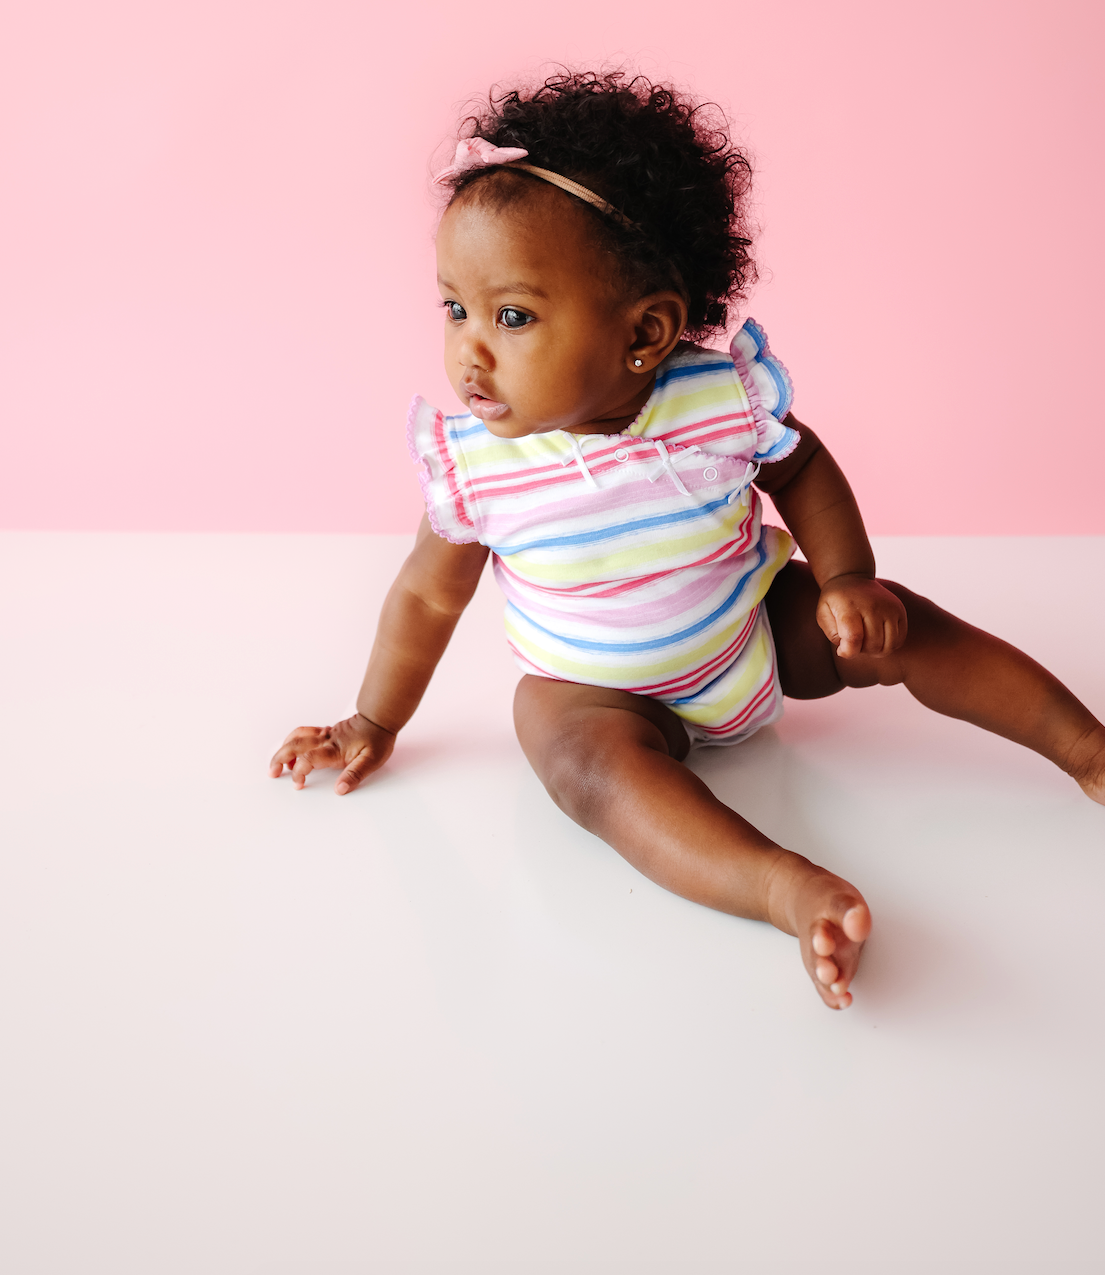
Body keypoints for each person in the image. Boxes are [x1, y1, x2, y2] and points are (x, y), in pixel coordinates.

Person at [270, 70, 1105, 1008]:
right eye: (454, 309)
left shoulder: (714, 401)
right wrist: (374, 720)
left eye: (512, 315)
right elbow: (428, 596)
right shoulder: (479, 466)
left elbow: (802, 467)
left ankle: (1084, 748)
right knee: (583, 769)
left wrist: (849, 579)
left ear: (647, 331)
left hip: (750, 634)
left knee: (901, 624)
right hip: (600, 693)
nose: (470, 350)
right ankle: (784, 887)